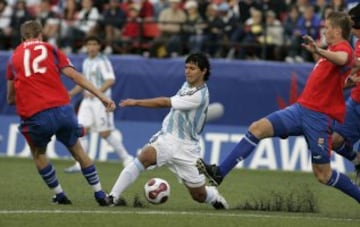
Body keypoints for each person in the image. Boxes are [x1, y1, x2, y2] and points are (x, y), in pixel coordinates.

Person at [197, 11, 360, 203]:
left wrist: (318, 50)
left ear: (337, 30)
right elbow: (334, 78)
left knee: (323, 175)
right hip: (300, 110)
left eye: (327, 27)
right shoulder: (331, 52)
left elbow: (342, 58)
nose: (324, 30)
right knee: (257, 128)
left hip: (318, 118)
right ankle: (219, 173)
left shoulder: (344, 49)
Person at [6, 20, 114, 206]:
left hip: (36, 114)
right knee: (78, 150)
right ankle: (99, 194)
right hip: (63, 109)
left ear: (22, 38)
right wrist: (101, 96)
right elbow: (74, 76)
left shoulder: (14, 58)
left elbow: (10, 97)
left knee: (38, 153)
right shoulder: (51, 49)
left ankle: (60, 195)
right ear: (41, 35)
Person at [108, 52, 229, 209]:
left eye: (192, 68)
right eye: (186, 67)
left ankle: (212, 195)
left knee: (199, 195)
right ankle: (112, 197)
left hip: (187, 148)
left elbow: (165, 102)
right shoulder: (187, 85)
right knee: (144, 157)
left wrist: (137, 102)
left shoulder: (199, 95)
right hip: (168, 138)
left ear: (203, 71)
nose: (187, 71)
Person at [64, 36, 133, 173]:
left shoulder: (103, 61)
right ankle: (80, 163)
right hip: (87, 102)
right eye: (89, 44)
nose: (91, 47)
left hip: (101, 102)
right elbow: (83, 82)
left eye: (94, 44)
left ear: (99, 47)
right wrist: (70, 94)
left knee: (105, 133)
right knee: (81, 130)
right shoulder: (86, 62)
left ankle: (127, 159)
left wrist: (97, 92)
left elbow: (110, 80)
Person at [332, 3, 360, 186]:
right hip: (356, 102)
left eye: (352, 23)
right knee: (334, 140)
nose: (350, 28)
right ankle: (357, 160)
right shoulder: (357, 43)